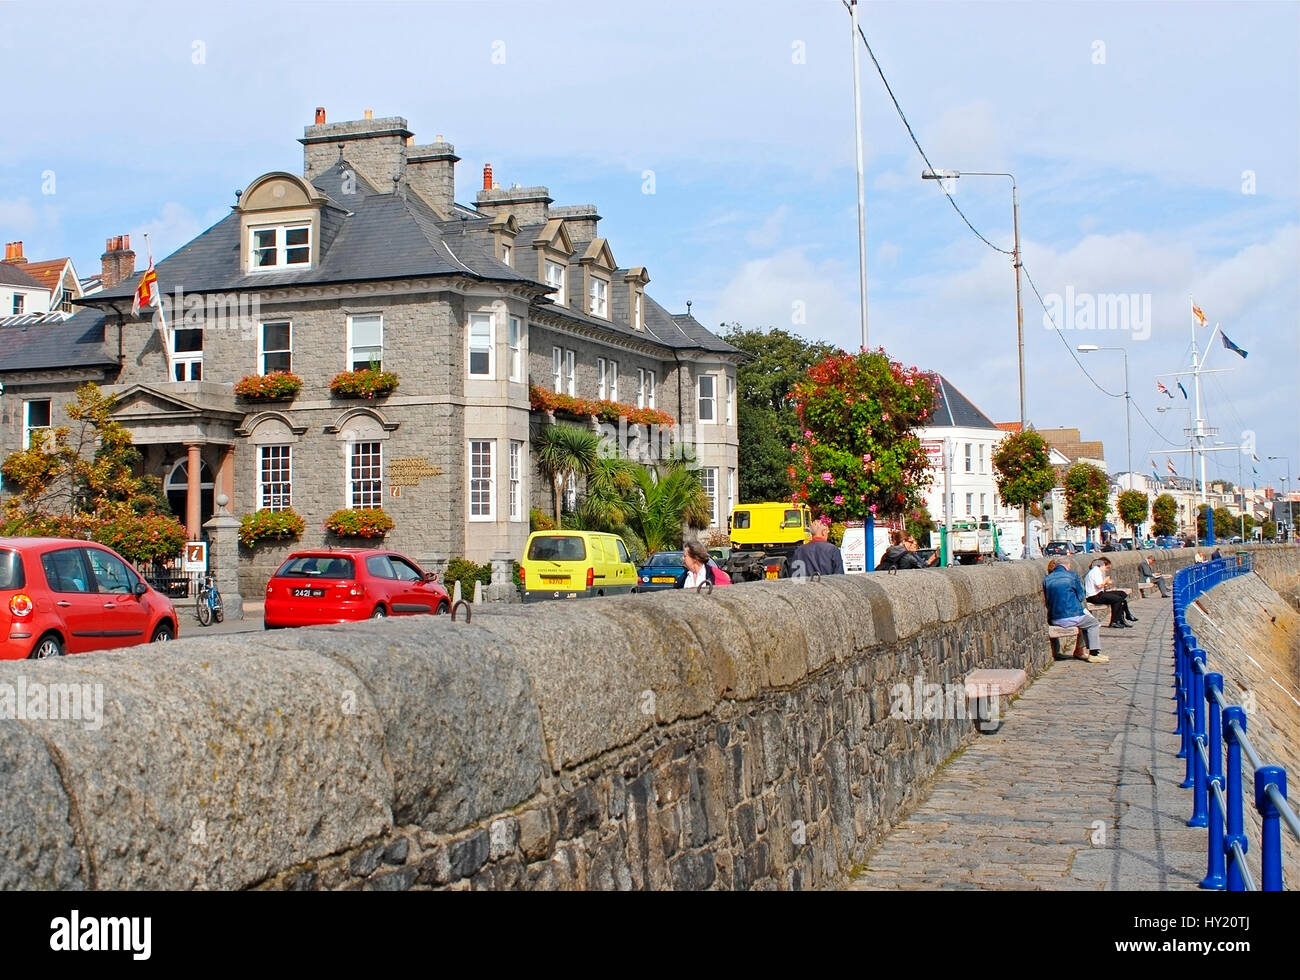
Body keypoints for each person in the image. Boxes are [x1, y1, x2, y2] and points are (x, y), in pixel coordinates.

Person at [1043, 558, 1108, 663]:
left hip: (1054, 618)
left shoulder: (1047, 579)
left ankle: (1079, 651)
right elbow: (1081, 596)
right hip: (1070, 616)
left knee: (1084, 623)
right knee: (1093, 623)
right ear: (1067, 565)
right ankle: (1094, 654)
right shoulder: (1072, 576)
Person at [1084, 557, 1138, 628]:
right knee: (1117, 599)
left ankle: (1123, 618)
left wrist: (1106, 583)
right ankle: (1115, 621)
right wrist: (1106, 581)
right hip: (1094, 596)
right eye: (1107, 568)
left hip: (1099, 593)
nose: (1107, 570)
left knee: (1122, 594)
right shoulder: (1095, 572)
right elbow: (1099, 585)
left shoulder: (1098, 571)